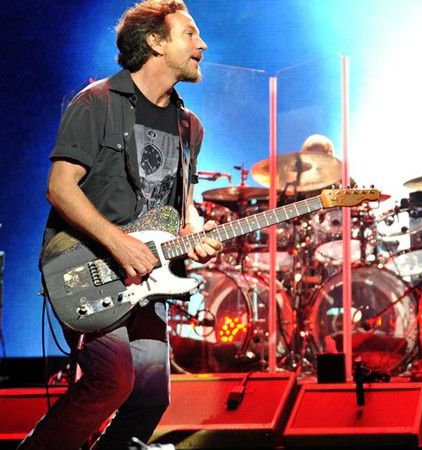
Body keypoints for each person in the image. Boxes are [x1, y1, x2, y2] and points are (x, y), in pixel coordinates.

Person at [20, 1, 221, 449]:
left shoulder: (190, 127)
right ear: (154, 41)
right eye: (189, 34)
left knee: (151, 396)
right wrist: (120, 243)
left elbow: (180, 209)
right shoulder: (96, 104)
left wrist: (197, 231)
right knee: (112, 379)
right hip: (87, 269)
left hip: (146, 278)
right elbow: (60, 187)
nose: (202, 44)